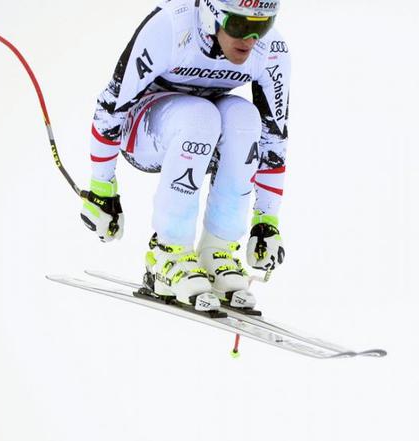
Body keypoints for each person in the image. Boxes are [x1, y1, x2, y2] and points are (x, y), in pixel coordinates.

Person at [80, 0, 289, 312]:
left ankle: (217, 250)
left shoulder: (270, 50)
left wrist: (266, 220)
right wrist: (102, 187)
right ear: (211, 14)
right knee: (200, 116)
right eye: (240, 26)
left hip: (202, 135)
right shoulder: (172, 27)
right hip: (145, 129)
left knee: (246, 119)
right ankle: (167, 252)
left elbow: (275, 136)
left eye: (262, 25)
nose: (250, 40)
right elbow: (112, 104)